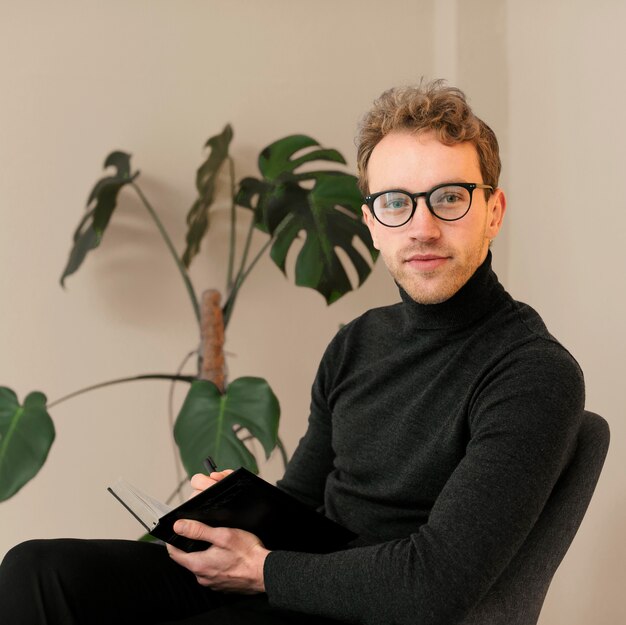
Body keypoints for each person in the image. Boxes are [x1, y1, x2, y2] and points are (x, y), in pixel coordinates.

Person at [0, 80, 584, 625]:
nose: (422, 227)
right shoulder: (357, 342)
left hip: (370, 608)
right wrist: (236, 508)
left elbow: (437, 582)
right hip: (293, 583)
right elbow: (300, 499)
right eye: (396, 203)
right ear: (373, 223)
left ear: (493, 212)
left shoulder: (533, 372)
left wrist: (261, 571)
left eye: (449, 198)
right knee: (39, 571)